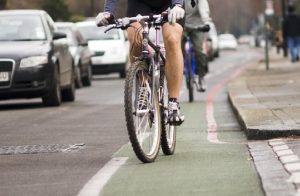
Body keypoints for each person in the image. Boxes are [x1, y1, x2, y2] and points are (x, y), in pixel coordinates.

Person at [96, 0, 185, 125]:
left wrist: (177, 5)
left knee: (172, 39)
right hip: (140, 3)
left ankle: (173, 103)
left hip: (169, 3)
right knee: (135, 39)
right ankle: (143, 84)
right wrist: (108, 12)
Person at [183, 0, 211, 91]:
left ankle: (201, 77)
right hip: (183, 26)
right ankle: (181, 67)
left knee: (199, 51)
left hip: (198, 26)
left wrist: (206, 23)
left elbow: (203, 9)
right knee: (176, 48)